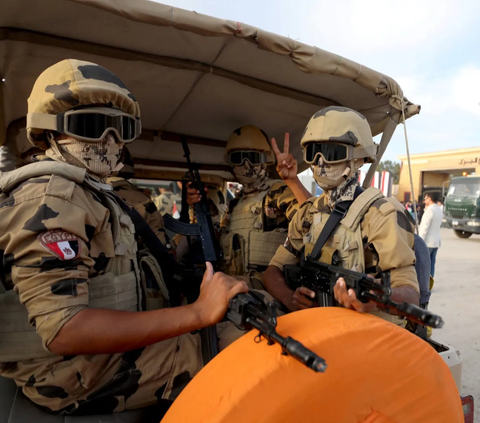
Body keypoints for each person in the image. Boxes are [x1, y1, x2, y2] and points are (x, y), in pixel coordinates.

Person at [0, 59, 247, 415]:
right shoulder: (51, 196)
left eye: (121, 129)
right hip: (73, 372)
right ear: (51, 131)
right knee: (243, 348)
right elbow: (66, 329)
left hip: (93, 356)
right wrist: (198, 314)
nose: (109, 142)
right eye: (91, 126)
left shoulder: (88, 192)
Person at [263, 106, 419, 322]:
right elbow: (272, 271)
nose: (320, 162)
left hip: (367, 335)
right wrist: (290, 298)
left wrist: (375, 296)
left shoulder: (381, 215)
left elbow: (410, 295)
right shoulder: (307, 214)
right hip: (317, 327)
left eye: (332, 153)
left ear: (359, 156)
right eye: (313, 152)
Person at [187, 125, 311, 289]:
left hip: (269, 292)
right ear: (231, 164)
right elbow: (216, 241)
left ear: (265, 160)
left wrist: (293, 181)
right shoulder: (234, 205)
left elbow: (313, 217)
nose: (246, 166)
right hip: (234, 290)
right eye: (239, 159)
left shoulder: (277, 192)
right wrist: (197, 210)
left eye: (253, 158)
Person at [419, 191, 443, 277]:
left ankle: (425, 284)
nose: (424, 201)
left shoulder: (430, 210)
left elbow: (424, 228)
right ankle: (430, 283)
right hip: (436, 242)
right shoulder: (439, 209)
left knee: (424, 265)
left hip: (427, 242)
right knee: (432, 264)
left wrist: (419, 241)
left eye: (425, 199)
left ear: (430, 199)